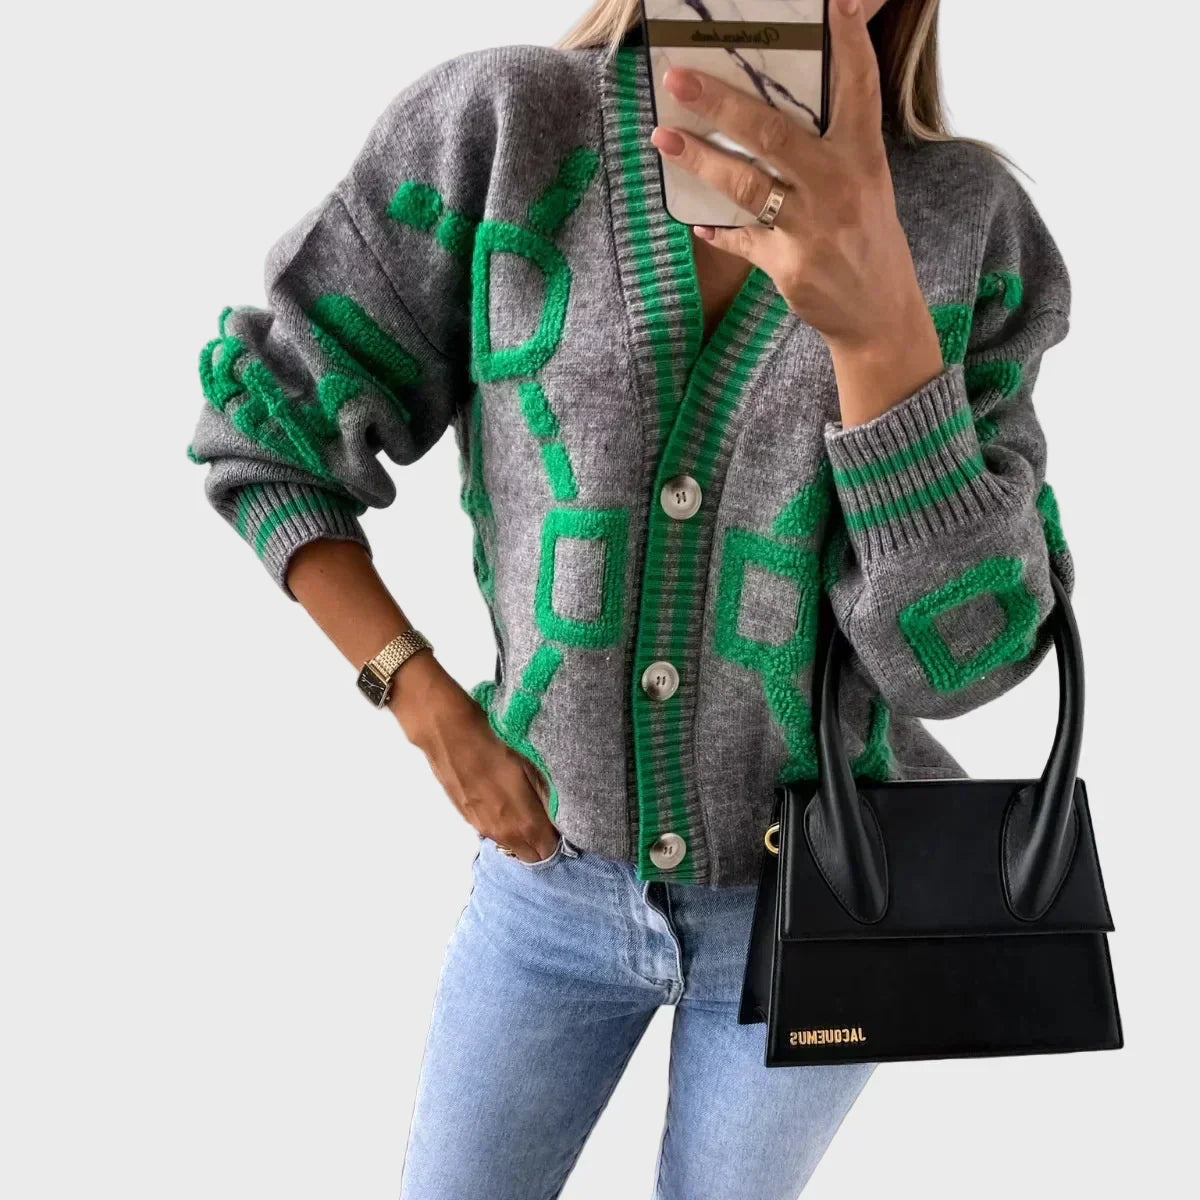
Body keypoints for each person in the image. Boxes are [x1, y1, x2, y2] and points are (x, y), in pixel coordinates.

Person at [187, 0, 1076, 1194]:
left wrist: (883, 343)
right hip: (546, 882)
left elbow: (965, 662)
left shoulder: (971, 224)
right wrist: (425, 702)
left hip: (827, 903)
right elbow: (266, 432)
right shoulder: (504, 131)